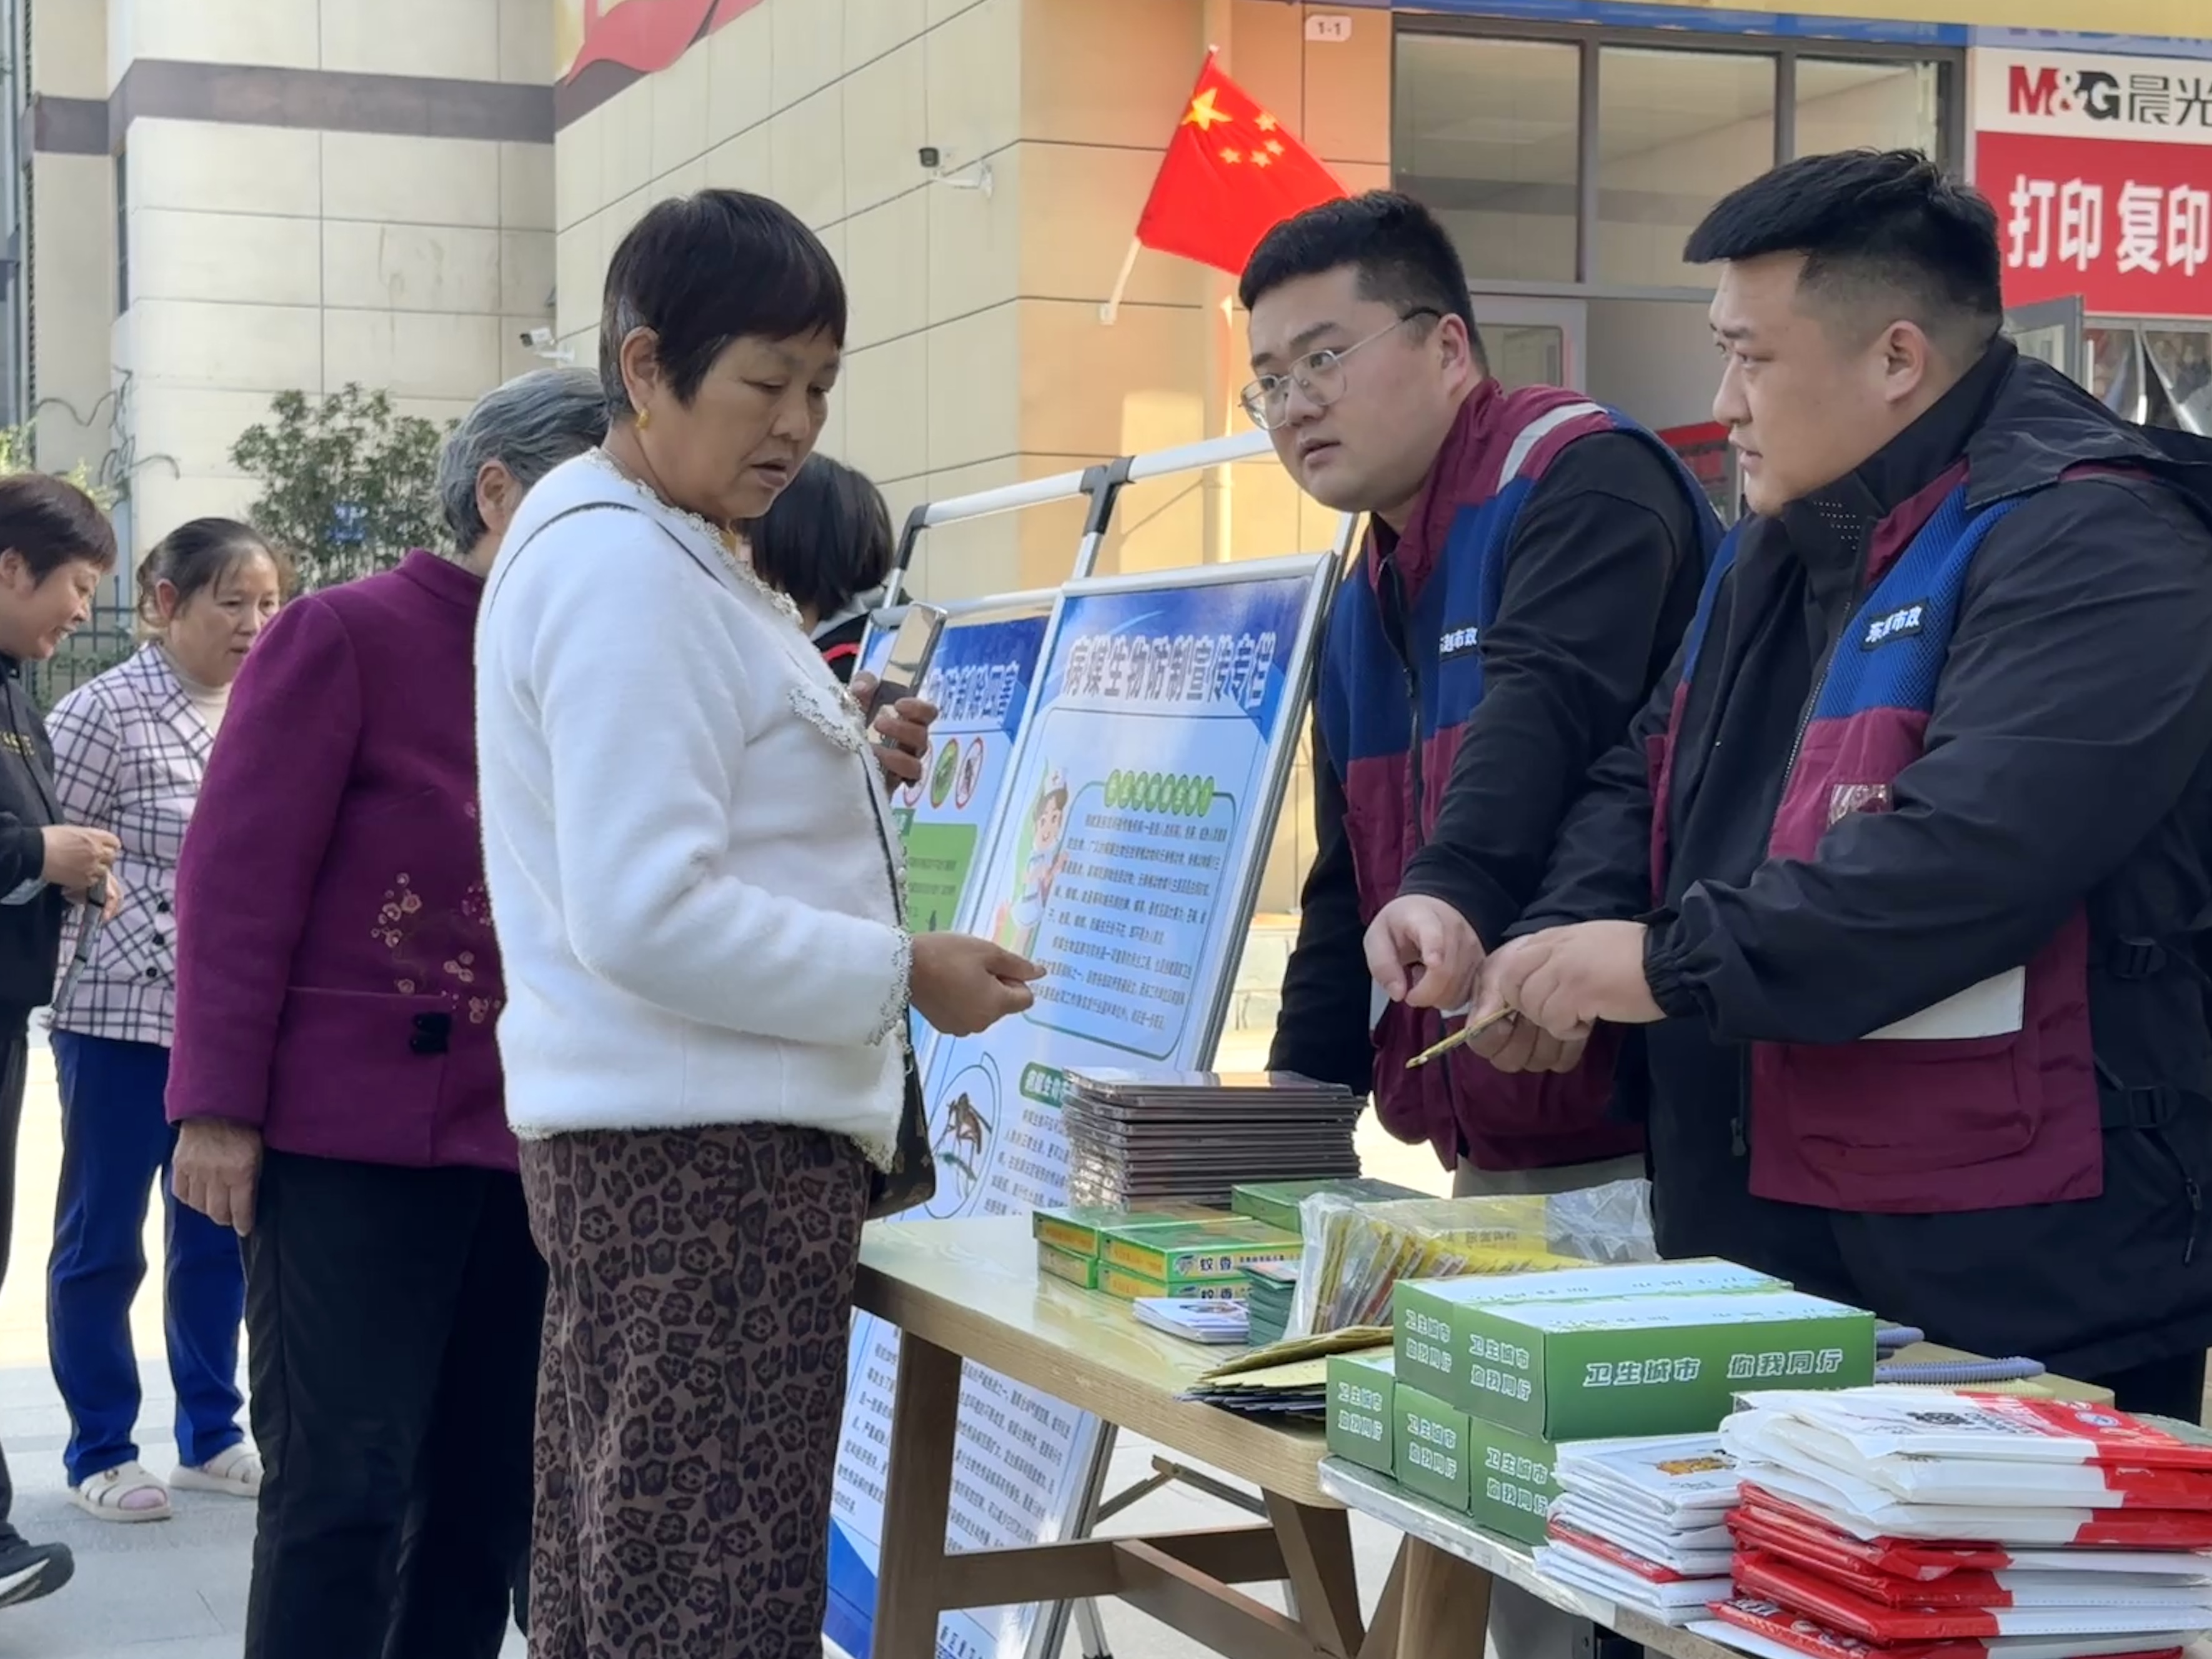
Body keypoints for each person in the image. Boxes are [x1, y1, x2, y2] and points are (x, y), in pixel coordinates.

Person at [1454, 149, 2212, 1417]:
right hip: (1768, 1247)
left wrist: (1663, 966)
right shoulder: (1782, 538)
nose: (1724, 401)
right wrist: (1556, 937)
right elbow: (1649, 770)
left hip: (2014, 1281)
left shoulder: (2092, 536)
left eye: (1750, 358)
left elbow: (1969, 861)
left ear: (1897, 358)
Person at [473, 187, 1039, 1658]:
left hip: (685, 1158)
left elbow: (689, 802)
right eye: (766, 383)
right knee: (704, 1595)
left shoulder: (661, 540)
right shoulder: (622, 566)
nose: (795, 426)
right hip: (701, 1168)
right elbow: (645, 909)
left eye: (821, 388)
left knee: (644, 1568)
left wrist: (833, 739)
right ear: (645, 366)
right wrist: (902, 971)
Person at [162, 368, 607, 1659]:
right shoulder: (349, 633)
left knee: (484, 1495)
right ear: (498, 492)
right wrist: (216, 1107)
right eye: (599, 498)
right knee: (340, 1490)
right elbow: (235, 879)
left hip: (538, 1135)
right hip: (350, 1140)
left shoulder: (600, 657)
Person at [1241, 191, 1720, 1196]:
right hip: (1494, 1141)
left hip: (1659, 1142)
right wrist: (1290, 1110)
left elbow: (1546, 716)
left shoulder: (1580, 478)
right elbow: (1349, 876)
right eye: (1271, 380)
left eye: (1324, 359)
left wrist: (1453, 889)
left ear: (1449, 348)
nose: (1295, 406)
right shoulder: (1364, 592)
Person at [45, 517, 286, 1523]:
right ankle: (101, 1446)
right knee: (105, 1235)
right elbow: (54, 855)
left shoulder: (272, 704)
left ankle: (211, 1431)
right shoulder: (103, 710)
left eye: (268, 603)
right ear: (166, 602)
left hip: (226, 1020)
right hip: (115, 1013)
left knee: (217, 1229)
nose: (254, 623)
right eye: (233, 602)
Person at [0, 472, 124, 1607]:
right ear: (11, 568)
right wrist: (42, 855)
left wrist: (65, 867)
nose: (82, 610)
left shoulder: (16, 688)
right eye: (78, 586)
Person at [746, 451, 897, 684]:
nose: (731, 554)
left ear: (793, 542)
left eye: (745, 539)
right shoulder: (886, 636)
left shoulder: (853, 673)